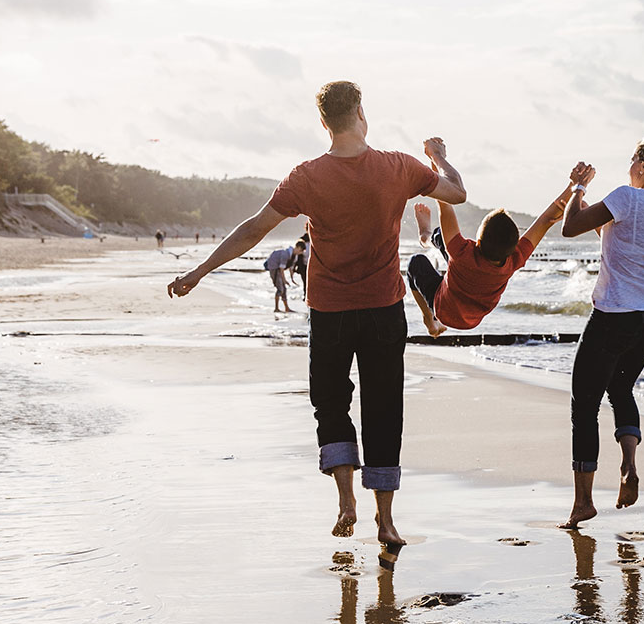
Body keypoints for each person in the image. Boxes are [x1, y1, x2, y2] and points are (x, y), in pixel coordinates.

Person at [167, 81, 466, 569]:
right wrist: (438, 157)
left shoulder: (306, 177)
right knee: (383, 407)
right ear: (361, 114)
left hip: (329, 311)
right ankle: (385, 519)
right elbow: (457, 190)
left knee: (330, 401)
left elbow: (253, 229)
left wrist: (201, 271)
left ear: (323, 123)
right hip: (382, 308)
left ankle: (346, 499)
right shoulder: (397, 167)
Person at [558, 137, 644, 529]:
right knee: (620, 389)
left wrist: (578, 187)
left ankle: (583, 503)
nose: (629, 163)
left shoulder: (627, 198)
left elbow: (569, 228)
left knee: (584, 404)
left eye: (634, 158)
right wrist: (583, 198)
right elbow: (607, 234)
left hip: (614, 315)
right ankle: (629, 465)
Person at [404, 181, 575, 336]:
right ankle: (428, 238)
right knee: (445, 240)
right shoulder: (515, 260)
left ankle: (429, 319)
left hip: (443, 310)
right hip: (473, 318)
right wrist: (576, 187)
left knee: (416, 262)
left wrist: (435, 158)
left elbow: (444, 204)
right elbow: (545, 220)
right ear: (514, 247)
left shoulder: (462, 253)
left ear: (478, 241)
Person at [266, 241, 299, 314]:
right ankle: (276, 308)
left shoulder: (294, 256)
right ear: (297, 247)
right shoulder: (285, 254)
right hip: (274, 268)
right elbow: (281, 269)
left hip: (278, 269)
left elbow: (290, 267)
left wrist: (292, 279)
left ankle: (286, 308)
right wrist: (284, 280)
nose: (300, 252)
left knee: (284, 289)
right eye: (300, 250)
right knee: (280, 289)